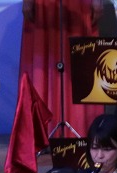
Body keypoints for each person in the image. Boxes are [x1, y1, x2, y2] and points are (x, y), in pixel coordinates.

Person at [19, 0, 102, 139]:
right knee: (42, 67)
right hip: (44, 5)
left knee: (80, 61)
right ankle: (43, 134)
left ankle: (80, 130)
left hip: (79, 6)